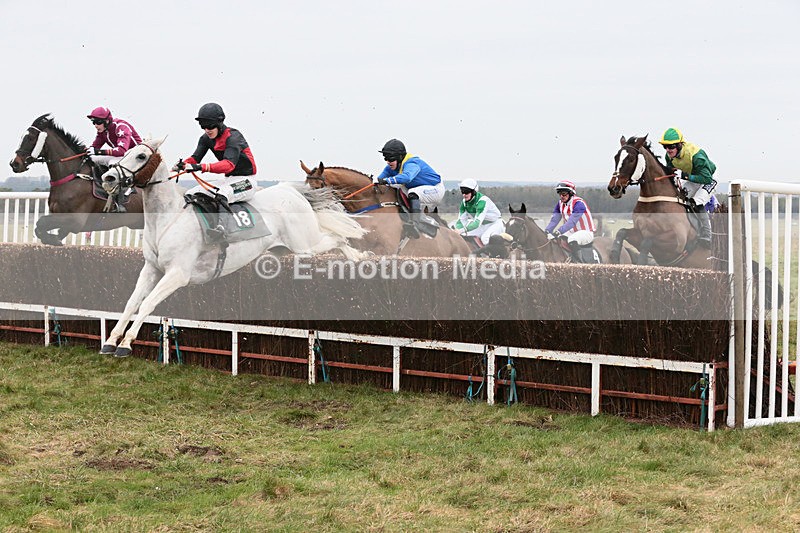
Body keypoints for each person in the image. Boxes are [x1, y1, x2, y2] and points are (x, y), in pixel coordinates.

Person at [173, 103, 258, 241]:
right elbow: (195, 158)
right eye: (203, 126)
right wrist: (183, 165)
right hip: (229, 180)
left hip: (247, 180)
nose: (207, 130)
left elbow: (228, 165)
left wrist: (200, 167)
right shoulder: (205, 139)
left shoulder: (233, 137)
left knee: (223, 193)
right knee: (191, 193)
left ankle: (222, 229)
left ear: (219, 123)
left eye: (210, 126)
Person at [374, 139, 445, 238]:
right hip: (418, 187)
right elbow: (380, 178)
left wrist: (387, 181)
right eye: (385, 158)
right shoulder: (391, 167)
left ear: (400, 157)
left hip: (435, 189)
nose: (387, 162)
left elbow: (407, 177)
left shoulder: (412, 163)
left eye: (390, 159)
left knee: (412, 192)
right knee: (397, 187)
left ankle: (415, 224)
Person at [659, 127, 716, 248]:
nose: (668, 150)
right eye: (665, 146)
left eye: (671, 146)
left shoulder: (697, 156)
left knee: (696, 202)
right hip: (692, 179)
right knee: (680, 199)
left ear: (680, 145)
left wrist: (684, 175)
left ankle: (707, 234)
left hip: (707, 179)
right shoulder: (668, 156)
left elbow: (707, 179)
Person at [86, 106, 142, 212]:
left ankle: (119, 203)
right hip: (123, 157)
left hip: (135, 157)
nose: (95, 125)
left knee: (113, 163)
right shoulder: (102, 131)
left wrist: (98, 151)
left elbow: (121, 150)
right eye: (93, 122)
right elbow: (94, 147)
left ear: (107, 121)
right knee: (91, 159)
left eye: (98, 122)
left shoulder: (121, 127)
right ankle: (100, 189)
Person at [544, 180, 597, 259]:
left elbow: (571, 222)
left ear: (571, 193)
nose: (561, 196)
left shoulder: (579, 203)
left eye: (564, 194)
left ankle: (580, 263)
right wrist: (547, 231)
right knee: (556, 240)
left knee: (572, 240)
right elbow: (554, 220)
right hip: (571, 232)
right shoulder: (560, 204)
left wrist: (558, 231)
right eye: (560, 193)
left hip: (585, 232)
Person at [451, 179, 505, 246]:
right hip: (483, 225)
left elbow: (477, 223)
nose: (464, 195)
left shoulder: (483, 201)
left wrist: (461, 230)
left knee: (485, 239)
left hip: (495, 224)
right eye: (462, 191)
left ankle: (501, 251)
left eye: (466, 192)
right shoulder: (464, 202)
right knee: (464, 235)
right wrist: (457, 231)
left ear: (474, 191)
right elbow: (460, 221)